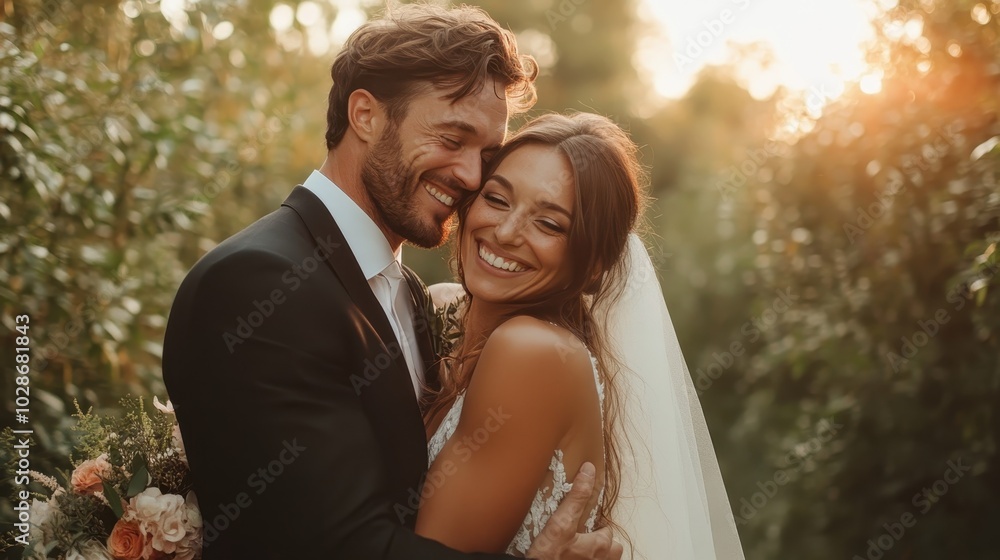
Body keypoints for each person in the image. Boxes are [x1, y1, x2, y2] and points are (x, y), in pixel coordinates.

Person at [162, 4, 621, 559]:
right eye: (452, 138)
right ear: (366, 115)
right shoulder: (259, 282)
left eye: (486, 154)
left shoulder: (407, 295)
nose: (472, 176)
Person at [416, 112, 747, 559]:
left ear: (593, 268)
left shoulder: (532, 353)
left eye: (549, 224)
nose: (506, 232)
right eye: (496, 199)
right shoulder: (438, 307)